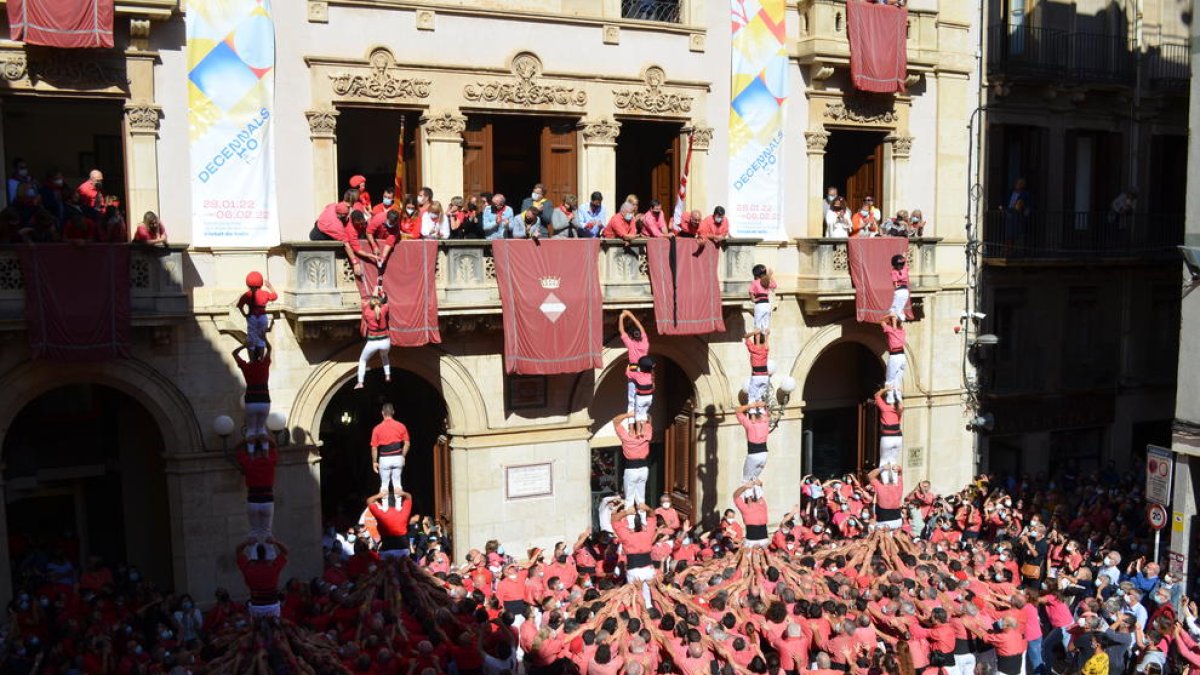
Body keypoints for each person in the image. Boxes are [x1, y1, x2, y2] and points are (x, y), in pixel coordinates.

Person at [610, 501, 656, 606]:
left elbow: (613, 520)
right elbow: (653, 517)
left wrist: (626, 512)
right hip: (649, 569)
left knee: (635, 598)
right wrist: (647, 508)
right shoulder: (648, 534)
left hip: (634, 571)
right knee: (648, 599)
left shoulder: (627, 536)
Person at [235, 439, 277, 542]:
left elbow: (237, 449)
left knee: (253, 532)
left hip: (253, 500)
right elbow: (275, 447)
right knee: (267, 533)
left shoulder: (248, 463)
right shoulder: (270, 461)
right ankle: (269, 554)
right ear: (264, 451)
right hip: (267, 500)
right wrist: (265, 438)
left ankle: (253, 554)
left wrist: (247, 440)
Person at [233, 340, 271, 451]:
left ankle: (251, 455)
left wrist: (244, 346)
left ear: (250, 355)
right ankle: (266, 454)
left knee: (251, 429)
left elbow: (234, 354)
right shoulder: (265, 364)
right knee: (261, 428)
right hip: (264, 400)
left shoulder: (246, 366)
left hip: (251, 401)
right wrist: (264, 337)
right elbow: (270, 348)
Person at [235, 538, 288, 619]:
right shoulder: (273, 567)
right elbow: (285, 552)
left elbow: (238, 551)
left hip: (256, 606)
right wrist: (275, 542)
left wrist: (247, 542)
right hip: (272, 606)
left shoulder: (248, 568)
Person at [370, 403, 410, 498]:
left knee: (384, 484)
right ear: (393, 412)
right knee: (397, 483)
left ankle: (384, 508)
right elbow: (407, 444)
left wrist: (374, 462)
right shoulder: (401, 426)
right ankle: (399, 508)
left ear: (382, 413)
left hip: (384, 458)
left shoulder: (377, 429)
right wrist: (402, 456)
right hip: (397, 457)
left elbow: (374, 447)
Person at [356, 281, 390, 390]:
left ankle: (360, 382)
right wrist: (380, 289)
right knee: (384, 356)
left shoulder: (367, 312)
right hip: (385, 341)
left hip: (372, 342)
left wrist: (375, 289)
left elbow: (368, 302)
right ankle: (387, 375)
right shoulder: (384, 309)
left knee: (363, 360)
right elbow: (385, 299)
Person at [613, 412, 651, 507]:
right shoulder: (646, 435)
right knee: (641, 498)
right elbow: (649, 418)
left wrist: (629, 415)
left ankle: (631, 522)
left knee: (629, 498)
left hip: (631, 469)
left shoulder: (626, 437)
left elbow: (615, 421)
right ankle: (643, 519)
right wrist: (640, 413)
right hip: (643, 469)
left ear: (631, 427)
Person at [366, 489, 414, 559]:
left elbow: (369, 501)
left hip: (387, 548)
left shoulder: (381, 515)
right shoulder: (404, 513)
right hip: (402, 549)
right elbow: (409, 496)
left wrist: (379, 495)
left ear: (384, 503)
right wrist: (401, 493)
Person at [735, 403, 769, 497]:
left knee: (746, 479)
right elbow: (766, 411)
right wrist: (761, 405)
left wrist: (752, 405)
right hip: (764, 455)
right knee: (755, 478)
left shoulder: (749, 425)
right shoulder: (766, 423)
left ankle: (748, 500)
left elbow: (738, 411)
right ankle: (759, 497)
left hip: (753, 455)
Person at [618, 310, 650, 414]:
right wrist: (631, 315)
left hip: (632, 371)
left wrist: (622, 317)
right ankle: (641, 421)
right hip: (644, 372)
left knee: (631, 400)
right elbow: (641, 327)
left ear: (631, 336)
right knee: (642, 398)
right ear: (640, 335)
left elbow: (621, 330)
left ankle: (631, 429)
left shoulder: (630, 344)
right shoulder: (645, 343)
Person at [237, 272, 276, 354]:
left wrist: (245, 314)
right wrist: (270, 287)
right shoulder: (265, 294)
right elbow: (275, 296)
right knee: (261, 337)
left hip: (252, 317)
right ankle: (261, 358)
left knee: (251, 337)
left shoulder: (246, 295)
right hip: (262, 317)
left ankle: (252, 359)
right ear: (260, 282)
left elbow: (239, 306)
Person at [733, 480, 769, 548]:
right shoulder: (744, 507)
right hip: (751, 540)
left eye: (753, 496)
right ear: (746, 499)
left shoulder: (762, 504)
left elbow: (759, 494)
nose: (751, 497)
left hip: (764, 539)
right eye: (749, 496)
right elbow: (735, 496)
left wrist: (760, 485)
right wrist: (745, 487)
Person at [868, 464, 903, 530]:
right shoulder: (899, 487)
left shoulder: (880, 487)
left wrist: (882, 468)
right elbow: (900, 474)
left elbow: (870, 476)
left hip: (884, 522)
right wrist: (899, 469)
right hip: (898, 522)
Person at [875, 386, 902, 465]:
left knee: (883, 462)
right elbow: (900, 404)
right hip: (898, 437)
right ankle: (894, 477)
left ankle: (885, 477)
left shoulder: (885, 408)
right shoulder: (899, 410)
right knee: (893, 461)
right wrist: (898, 393)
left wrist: (885, 389)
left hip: (887, 437)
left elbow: (876, 395)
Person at [744, 329, 770, 413]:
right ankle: (762, 410)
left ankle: (753, 415)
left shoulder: (753, 348)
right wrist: (766, 335)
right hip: (765, 377)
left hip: (756, 376)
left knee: (752, 397)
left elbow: (745, 336)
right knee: (759, 396)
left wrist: (753, 333)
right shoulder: (765, 348)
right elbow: (766, 339)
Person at [881, 315, 906, 400]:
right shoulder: (902, 331)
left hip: (894, 356)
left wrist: (890, 315)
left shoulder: (890, 330)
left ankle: (890, 400)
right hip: (902, 356)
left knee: (889, 379)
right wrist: (894, 319)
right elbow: (896, 326)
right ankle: (898, 398)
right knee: (898, 379)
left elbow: (881, 321)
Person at [749, 264, 776, 333]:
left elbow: (751, 292)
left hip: (759, 304)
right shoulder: (766, 282)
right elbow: (774, 285)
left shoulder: (754, 282)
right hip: (767, 304)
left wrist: (753, 299)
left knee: (757, 325)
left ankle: (757, 342)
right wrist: (770, 276)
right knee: (766, 325)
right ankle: (766, 342)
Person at [630, 356, 655, 423]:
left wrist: (633, 365)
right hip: (649, 397)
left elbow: (629, 371)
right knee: (644, 413)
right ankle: (643, 428)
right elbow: (653, 388)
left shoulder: (637, 375)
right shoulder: (651, 375)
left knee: (638, 416)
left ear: (640, 367)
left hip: (640, 397)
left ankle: (640, 430)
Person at [889, 253, 909, 322]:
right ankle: (900, 316)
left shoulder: (894, 272)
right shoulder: (905, 269)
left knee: (894, 310)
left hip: (899, 290)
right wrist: (903, 257)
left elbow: (895, 283)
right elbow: (905, 263)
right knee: (900, 307)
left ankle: (900, 318)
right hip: (905, 291)